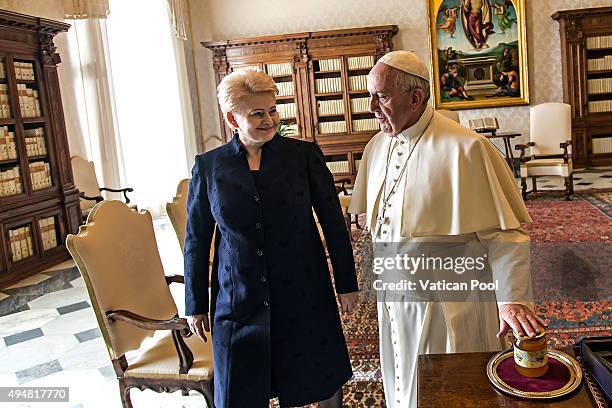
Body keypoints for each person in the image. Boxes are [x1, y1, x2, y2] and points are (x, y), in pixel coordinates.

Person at [348, 51, 546, 408]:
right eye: (370, 96)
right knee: (402, 380)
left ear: (415, 98)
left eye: (382, 96)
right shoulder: (376, 146)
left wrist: (512, 299)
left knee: (451, 390)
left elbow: (505, 236)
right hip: (395, 301)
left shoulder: (467, 148)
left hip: (448, 303)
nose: (372, 106)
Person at [184, 69, 359, 408]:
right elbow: (196, 239)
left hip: (304, 292)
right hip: (238, 299)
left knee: (319, 379)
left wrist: (346, 284)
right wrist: (194, 304)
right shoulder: (209, 167)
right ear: (232, 117)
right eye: (257, 113)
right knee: (240, 390)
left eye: (273, 110)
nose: (269, 120)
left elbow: (334, 222)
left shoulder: (303, 156)